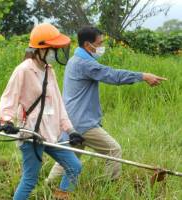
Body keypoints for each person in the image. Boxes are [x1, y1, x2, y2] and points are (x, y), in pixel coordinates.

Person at [47, 26, 167, 182]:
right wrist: (143, 76)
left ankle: (49, 185)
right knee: (113, 150)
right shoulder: (84, 63)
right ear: (88, 45)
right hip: (82, 122)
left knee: (69, 157)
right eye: (99, 43)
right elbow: (113, 75)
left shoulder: (75, 60)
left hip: (71, 120)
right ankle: (108, 185)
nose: (101, 47)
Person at [0, 23, 83, 200]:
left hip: (52, 133)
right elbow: (9, 98)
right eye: (52, 49)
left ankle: (62, 196)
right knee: (30, 179)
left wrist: (71, 130)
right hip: (31, 135)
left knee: (74, 166)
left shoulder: (49, 71)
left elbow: (58, 105)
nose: (55, 53)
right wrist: (6, 121)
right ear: (41, 49)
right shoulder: (24, 70)